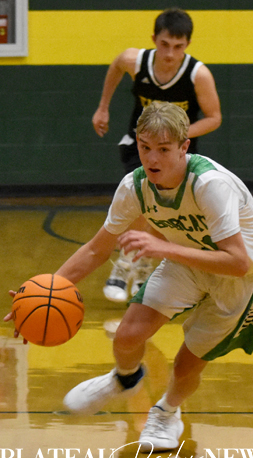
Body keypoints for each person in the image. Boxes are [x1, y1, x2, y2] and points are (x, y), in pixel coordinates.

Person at [6, 102, 253, 451]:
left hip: (240, 278)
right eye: (145, 147)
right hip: (186, 262)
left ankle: (166, 412)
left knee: (185, 365)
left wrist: (163, 248)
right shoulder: (134, 187)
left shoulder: (210, 185)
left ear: (184, 147)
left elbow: (237, 262)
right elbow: (96, 250)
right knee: (128, 336)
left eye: (163, 149)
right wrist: (44, 294)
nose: (152, 158)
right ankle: (125, 379)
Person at [93, 8, 222, 303]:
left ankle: (141, 266)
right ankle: (125, 263)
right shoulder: (135, 61)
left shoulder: (198, 74)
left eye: (178, 46)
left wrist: (175, 136)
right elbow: (115, 66)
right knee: (144, 201)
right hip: (140, 144)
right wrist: (103, 107)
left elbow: (214, 118)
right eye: (164, 44)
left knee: (163, 213)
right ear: (154, 39)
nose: (170, 53)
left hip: (177, 151)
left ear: (188, 44)